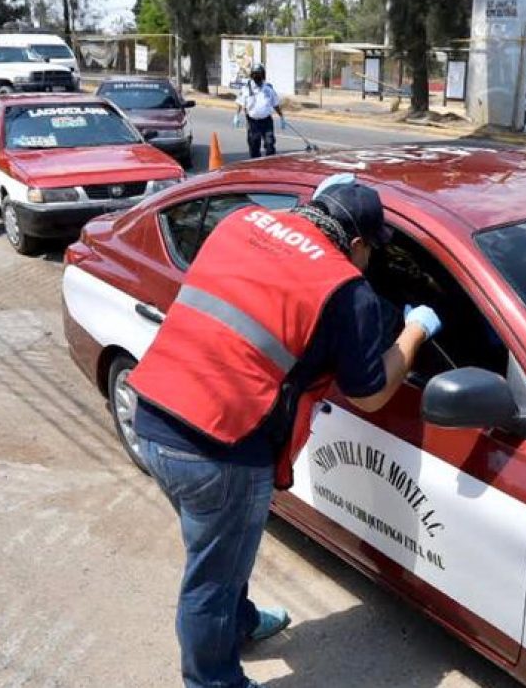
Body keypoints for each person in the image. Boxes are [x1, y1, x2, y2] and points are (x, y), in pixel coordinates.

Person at [127, 174, 442, 688]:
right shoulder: (347, 289)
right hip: (221, 448)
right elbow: (369, 392)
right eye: (370, 251)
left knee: (221, 552)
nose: (368, 262)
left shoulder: (241, 222)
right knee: (210, 578)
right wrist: (415, 331)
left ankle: (242, 622)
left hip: (153, 416)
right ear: (357, 243)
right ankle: (213, 681)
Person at [235, 63, 283, 159]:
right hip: (253, 122)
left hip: (266, 121)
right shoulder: (246, 89)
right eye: (255, 74)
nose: (257, 76)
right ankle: (256, 166)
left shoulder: (268, 89)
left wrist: (282, 117)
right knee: (254, 146)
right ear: (252, 75)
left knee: (270, 145)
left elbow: (275, 104)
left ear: (263, 75)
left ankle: (270, 165)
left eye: (259, 74)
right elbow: (240, 103)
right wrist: (236, 115)